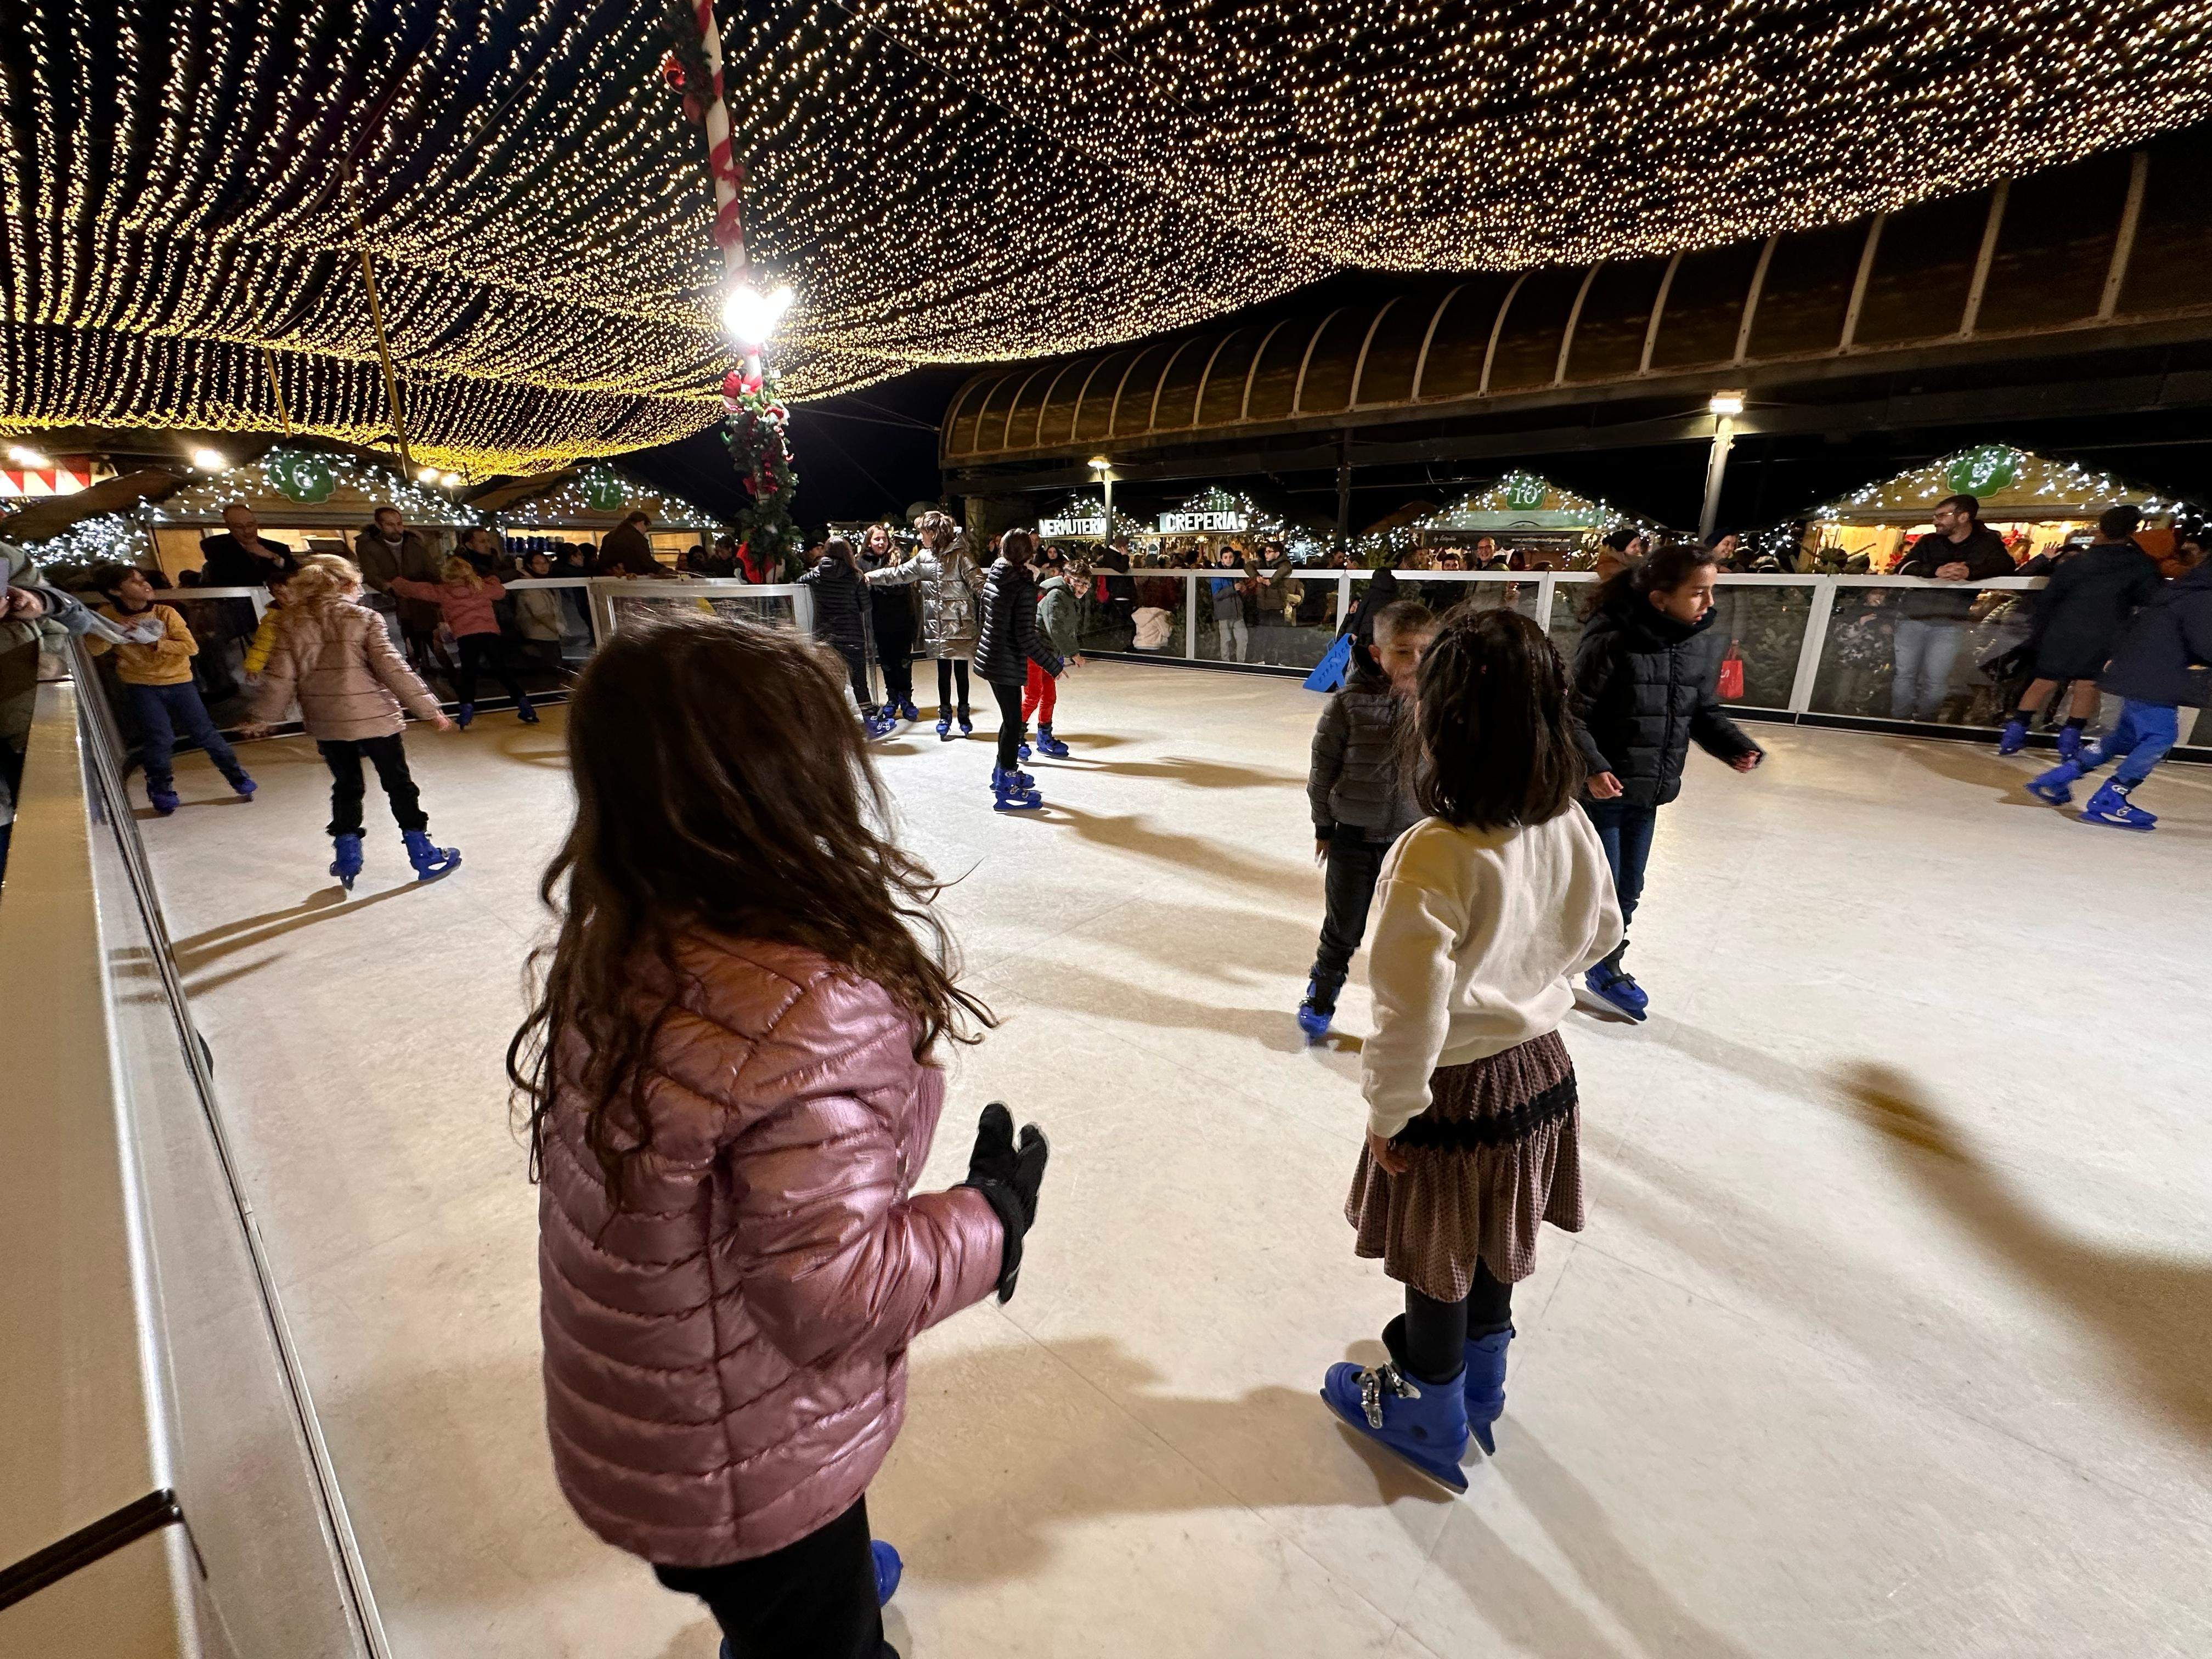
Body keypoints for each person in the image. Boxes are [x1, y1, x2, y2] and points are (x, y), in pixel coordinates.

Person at [510, 616, 1046, 1659]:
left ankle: (786, 1606)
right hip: (745, 1463)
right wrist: (993, 1221)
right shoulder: (799, 1005)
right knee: (822, 1638)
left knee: (784, 1601)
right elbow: (829, 1291)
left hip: (655, 1421)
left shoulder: (621, 939)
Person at [1319, 608, 1623, 1489]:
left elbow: (1407, 1013)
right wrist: (1531, 974)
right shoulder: (1565, 820)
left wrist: (1390, 1114)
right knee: (1496, 1230)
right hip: (1540, 1071)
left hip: (1452, 1086)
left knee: (1439, 1248)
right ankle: (1482, 1378)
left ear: (1440, 723)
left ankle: (1427, 1401)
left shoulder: (1433, 853)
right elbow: (1602, 933)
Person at [1568, 542, 1763, 1020]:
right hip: (1605, 790)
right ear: (1660, 598)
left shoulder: (1690, 643)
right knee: (1605, 885)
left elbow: (1698, 711)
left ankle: (1603, 963)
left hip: (1650, 790)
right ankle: (1573, 960)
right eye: (1698, 593)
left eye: (1711, 592)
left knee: (1628, 886)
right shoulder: (1612, 640)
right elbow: (1569, 714)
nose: (1708, 603)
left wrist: (1733, 745)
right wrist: (1593, 768)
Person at [239, 555, 459, 888]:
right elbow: (392, 667)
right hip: (375, 718)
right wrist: (429, 709)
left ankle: (347, 855)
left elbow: (280, 677)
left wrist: (264, 718)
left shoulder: (289, 622)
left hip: (327, 722)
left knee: (346, 786)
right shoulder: (364, 618)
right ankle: (422, 852)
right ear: (346, 585)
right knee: (398, 783)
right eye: (357, 586)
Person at [1298, 599, 1437, 1039]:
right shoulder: (1349, 704)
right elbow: (1323, 773)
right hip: (1354, 838)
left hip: (1416, 842)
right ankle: (1322, 994)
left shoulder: (1437, 705)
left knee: (1415, 936)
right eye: (1402, 651)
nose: (1414, 661)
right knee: (1343, 929)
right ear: (1377, 653)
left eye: (1423, 651)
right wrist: (1324, 827)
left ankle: (1412, 1013)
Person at [2028, 539, 2212, 830]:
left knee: (2124, 738)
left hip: (2138, 670)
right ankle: (2113, 796)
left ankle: (2058, 777)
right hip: (2156, 676)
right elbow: (2205, 644)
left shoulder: (2180, 590)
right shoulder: (2203, 598)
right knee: (2159, 738)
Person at [87, 563, 256, 812]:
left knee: (205, 733)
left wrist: (155, 643)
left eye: (143, 579)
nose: (145, 584)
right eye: (134, 582)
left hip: (179, 682)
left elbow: (190, 647)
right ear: (114, 591)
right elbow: (94, 648)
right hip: (141, 685)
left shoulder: (165, 613)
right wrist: (113, 632)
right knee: (159, 738)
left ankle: (237, 777)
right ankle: (160, 789)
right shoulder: (108, 614)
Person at [1999, 505, 2163, 758]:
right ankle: (2069, 742)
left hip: (2063, 628)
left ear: (2101, 528)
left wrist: (2039, 633)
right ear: (2133, 530)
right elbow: (2151, 598)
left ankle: (2014, 735)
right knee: (2087, 686)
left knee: (2043, 681)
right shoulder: (2140, 564)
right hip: (2106, 631)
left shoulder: (2078, 563)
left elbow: (2050, 599)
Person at [1890, 494, 2015, 722]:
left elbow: (2007, 567)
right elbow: (1902, 568)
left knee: (1936, 680)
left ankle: (1925, 722)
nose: (1936, 520)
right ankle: (1899, 721)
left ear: (1963, 516)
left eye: (1941, 515)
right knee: (1905, 675)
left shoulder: (1986, 543)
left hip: (1951, 622)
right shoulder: (1928, 542)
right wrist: (1935, 571)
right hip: (1912, 617)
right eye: (1935, 516)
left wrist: (1970, 572)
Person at [866, 512, 984, 740]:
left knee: (961, 673)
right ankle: (945, 714)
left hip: (959, 625)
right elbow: (900, 574)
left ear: (934, 533)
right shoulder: (924, 558)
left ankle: (964, 713)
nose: (920, 537)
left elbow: (978, 583)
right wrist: (873, 576)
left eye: (922, 532)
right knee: (942, 672)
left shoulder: (960, 555)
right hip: (938, 626)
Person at [389, 556, 539, 729]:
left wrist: (396, 582)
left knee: (469, 674)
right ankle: (524, 704)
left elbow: (419, 590)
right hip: (489, 634)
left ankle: (467, 709)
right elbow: (500, 592)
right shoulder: (481, 587)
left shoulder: (443, 591)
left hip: (466, 637)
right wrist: (493, 579)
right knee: (502, 672)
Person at [973, 528, 1064, 811]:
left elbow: (984, 620)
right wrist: (1052, 665)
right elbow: (1026, 636)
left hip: (990, 657)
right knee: (1013, 723)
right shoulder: (1023, 587)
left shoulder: (994, 579)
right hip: (1005, 661)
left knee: (1010, 720)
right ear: (1030, 555)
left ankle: (1003, 772)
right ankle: (1007, 785)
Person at [354, 506, 452, 680]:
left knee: (435, 644)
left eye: (399, 524)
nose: (397, 528)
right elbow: (372, 574)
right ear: (379, 525)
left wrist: (439, 595)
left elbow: (432, 571)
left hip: (422, 604)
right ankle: (414, 681)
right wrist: (388, 588)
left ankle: (450, 682)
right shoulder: (367, 545)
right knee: (408, 646)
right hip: (396, 605)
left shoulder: (414, 543)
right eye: (390, 524)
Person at [799, 535, 881, 732]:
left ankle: (833, 725)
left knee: (830, 682)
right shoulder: (855, 576)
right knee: (859, 681)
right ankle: (870, 723)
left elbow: (799, 584)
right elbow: (866, 606)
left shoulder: (815, 575)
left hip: (826, 638)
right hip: (852, 636)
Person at [859, 524, 919, 726]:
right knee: (886, 662)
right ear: (869, 541)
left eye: (883, 539)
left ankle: (906, 699)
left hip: (902, 619)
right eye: (877, 539)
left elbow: (902, 585)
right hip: (879, 621)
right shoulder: (862, 562)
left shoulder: (898, 558)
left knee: (904, 661)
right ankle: (892, 698)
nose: (881, 543)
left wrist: (880, 586)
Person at [1026, 549, 1082, 759]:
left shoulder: (1069, 597)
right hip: (1036, 652)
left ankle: (1044, 735)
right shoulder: (1056, 595)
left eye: (1086, 584)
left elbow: (1066, 629)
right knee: (1033, 696)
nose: (1083, 588)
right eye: (1079, 582)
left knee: (1049, 696)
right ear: (1067, 579)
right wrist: (1073, 653)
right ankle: (1017, 738)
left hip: (1050, 653)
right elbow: (1055, 628)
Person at [196, 504, 300, 588]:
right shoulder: (215, 545)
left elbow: (294, 575)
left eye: (250, 525)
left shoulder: (278, 548)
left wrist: (271, 556)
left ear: (256, 524)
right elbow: (225, 575)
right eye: (239, 527)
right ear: (229, 527)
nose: (247, 531)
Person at [512, 550, 572, 676]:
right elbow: (541, 613)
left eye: (545, 562)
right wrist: (559, 628)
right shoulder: (530, 586)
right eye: (538, 563)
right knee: (550, 671)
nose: (543, 566)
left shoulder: (546, 582)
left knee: (553, 669)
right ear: (529, 565)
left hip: (549, 634)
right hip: (540, 636)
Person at [1208, 547, 1252, 663]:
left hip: (1237, 612)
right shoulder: (1218, 574)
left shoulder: (1235, 572)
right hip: (1224, 613)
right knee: (1226, 639)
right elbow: (1216, 595)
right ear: (1221, 559)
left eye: (1231, 557)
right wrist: (1233, 589)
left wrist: (1243, 590)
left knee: (1243, 638)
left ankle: (1240, 663)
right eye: (1226, 557)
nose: (1229, 560)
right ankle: (1226, 663)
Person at [596, 510, 665, 577]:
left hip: (610, 578)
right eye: (646, 528)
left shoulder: (608, 537)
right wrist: (662, 570)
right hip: (633, 578)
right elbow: (646, 561)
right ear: (642, 523)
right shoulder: (637, 538)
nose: (644, 532)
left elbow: (602, 562)